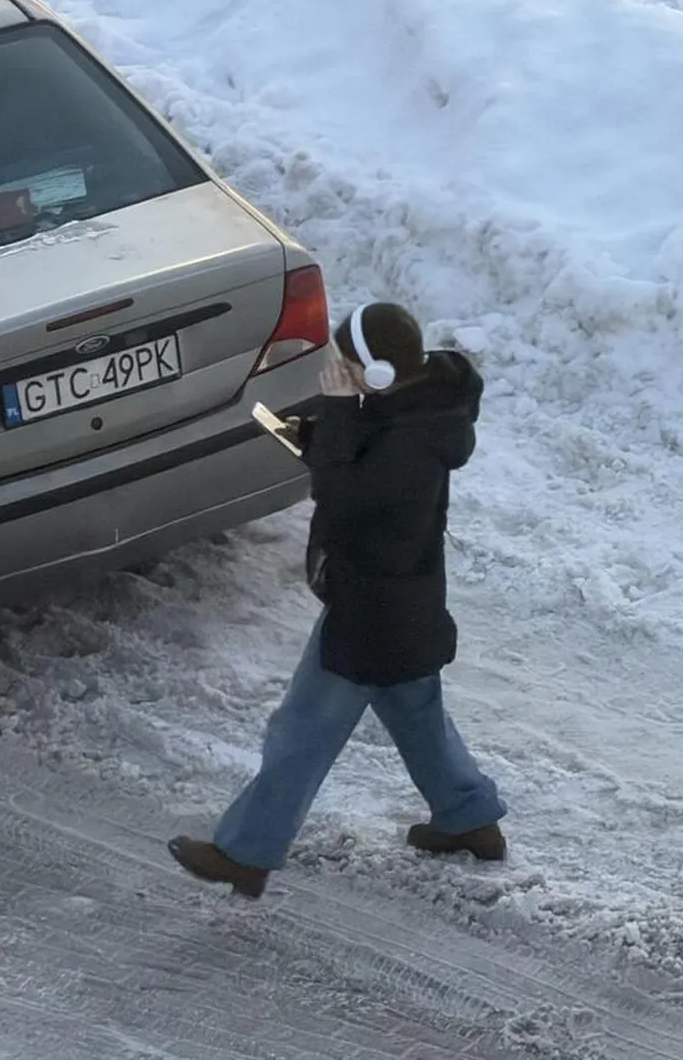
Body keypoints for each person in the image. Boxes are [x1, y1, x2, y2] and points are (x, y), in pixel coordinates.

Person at [169, 301, 504, 899]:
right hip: (404, 605)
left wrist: (340, 416)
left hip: (370, 609)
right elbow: (365, 462)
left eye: (341, 361)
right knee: (415, 711)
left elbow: (345, 500)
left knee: (302, 729)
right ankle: (469, 817)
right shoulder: (418, 407)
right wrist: (321, 432)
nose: (333, 367)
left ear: (373, 372)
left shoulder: (410, 446)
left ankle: (245, 853)